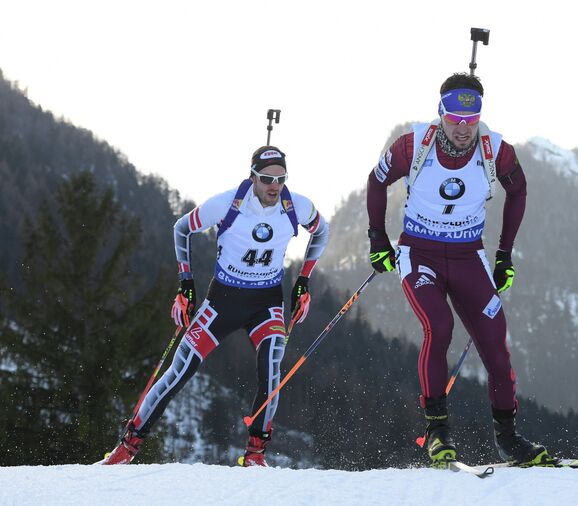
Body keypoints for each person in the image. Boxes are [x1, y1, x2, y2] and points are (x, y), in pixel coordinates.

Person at [366, 73, 554, 468]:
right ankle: (437, 433)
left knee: (496, 350)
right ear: (441, 114)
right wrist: (377, 239)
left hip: (469, 255)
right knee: (440, 326)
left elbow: (518, 191)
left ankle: (508, 438)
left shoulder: (496, 150)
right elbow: (376, 180)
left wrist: (504, 255)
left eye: (471, 120)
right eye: (455, 119)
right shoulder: (413, 144)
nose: (463, 129)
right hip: (420, 253)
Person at [100, 145, 329, 466]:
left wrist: (304, 280)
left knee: (271, 371)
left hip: (266, 302)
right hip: (223, 301)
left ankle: (255, 455)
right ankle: (127, 447)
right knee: (179, 372)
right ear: (252, 178)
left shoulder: (296, 206)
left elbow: (322, 231)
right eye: (266, 179)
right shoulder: (226, 204)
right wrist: (186, 285)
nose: (274, 186)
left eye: (281, 178)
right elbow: (182, 228)